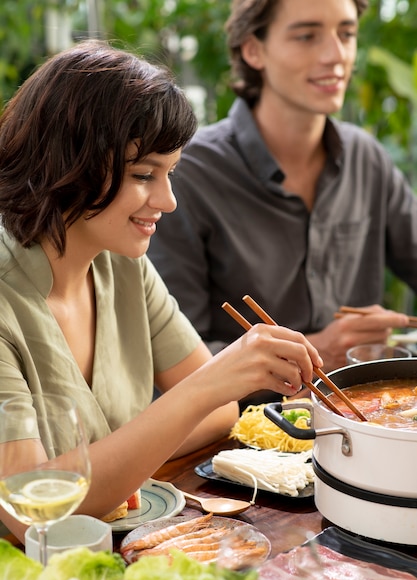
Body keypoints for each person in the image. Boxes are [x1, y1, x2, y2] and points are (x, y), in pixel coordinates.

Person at [0, 40, 322, 543]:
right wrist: (197, 393)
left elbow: (219, 413)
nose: (168, 201)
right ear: (66, 162)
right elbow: (27, 513)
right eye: (144, 175)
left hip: (130, 547)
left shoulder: (122, 266)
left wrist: (106, 466)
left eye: (169, 173)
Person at [149, 0, 417, 381]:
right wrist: (317, 348)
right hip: (240, 430)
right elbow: (172, 361)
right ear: (253, 49)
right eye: (307, 36)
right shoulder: (188, 174)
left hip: (361, 419)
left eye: (347, 34)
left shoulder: (366, 159)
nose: (336, 55)